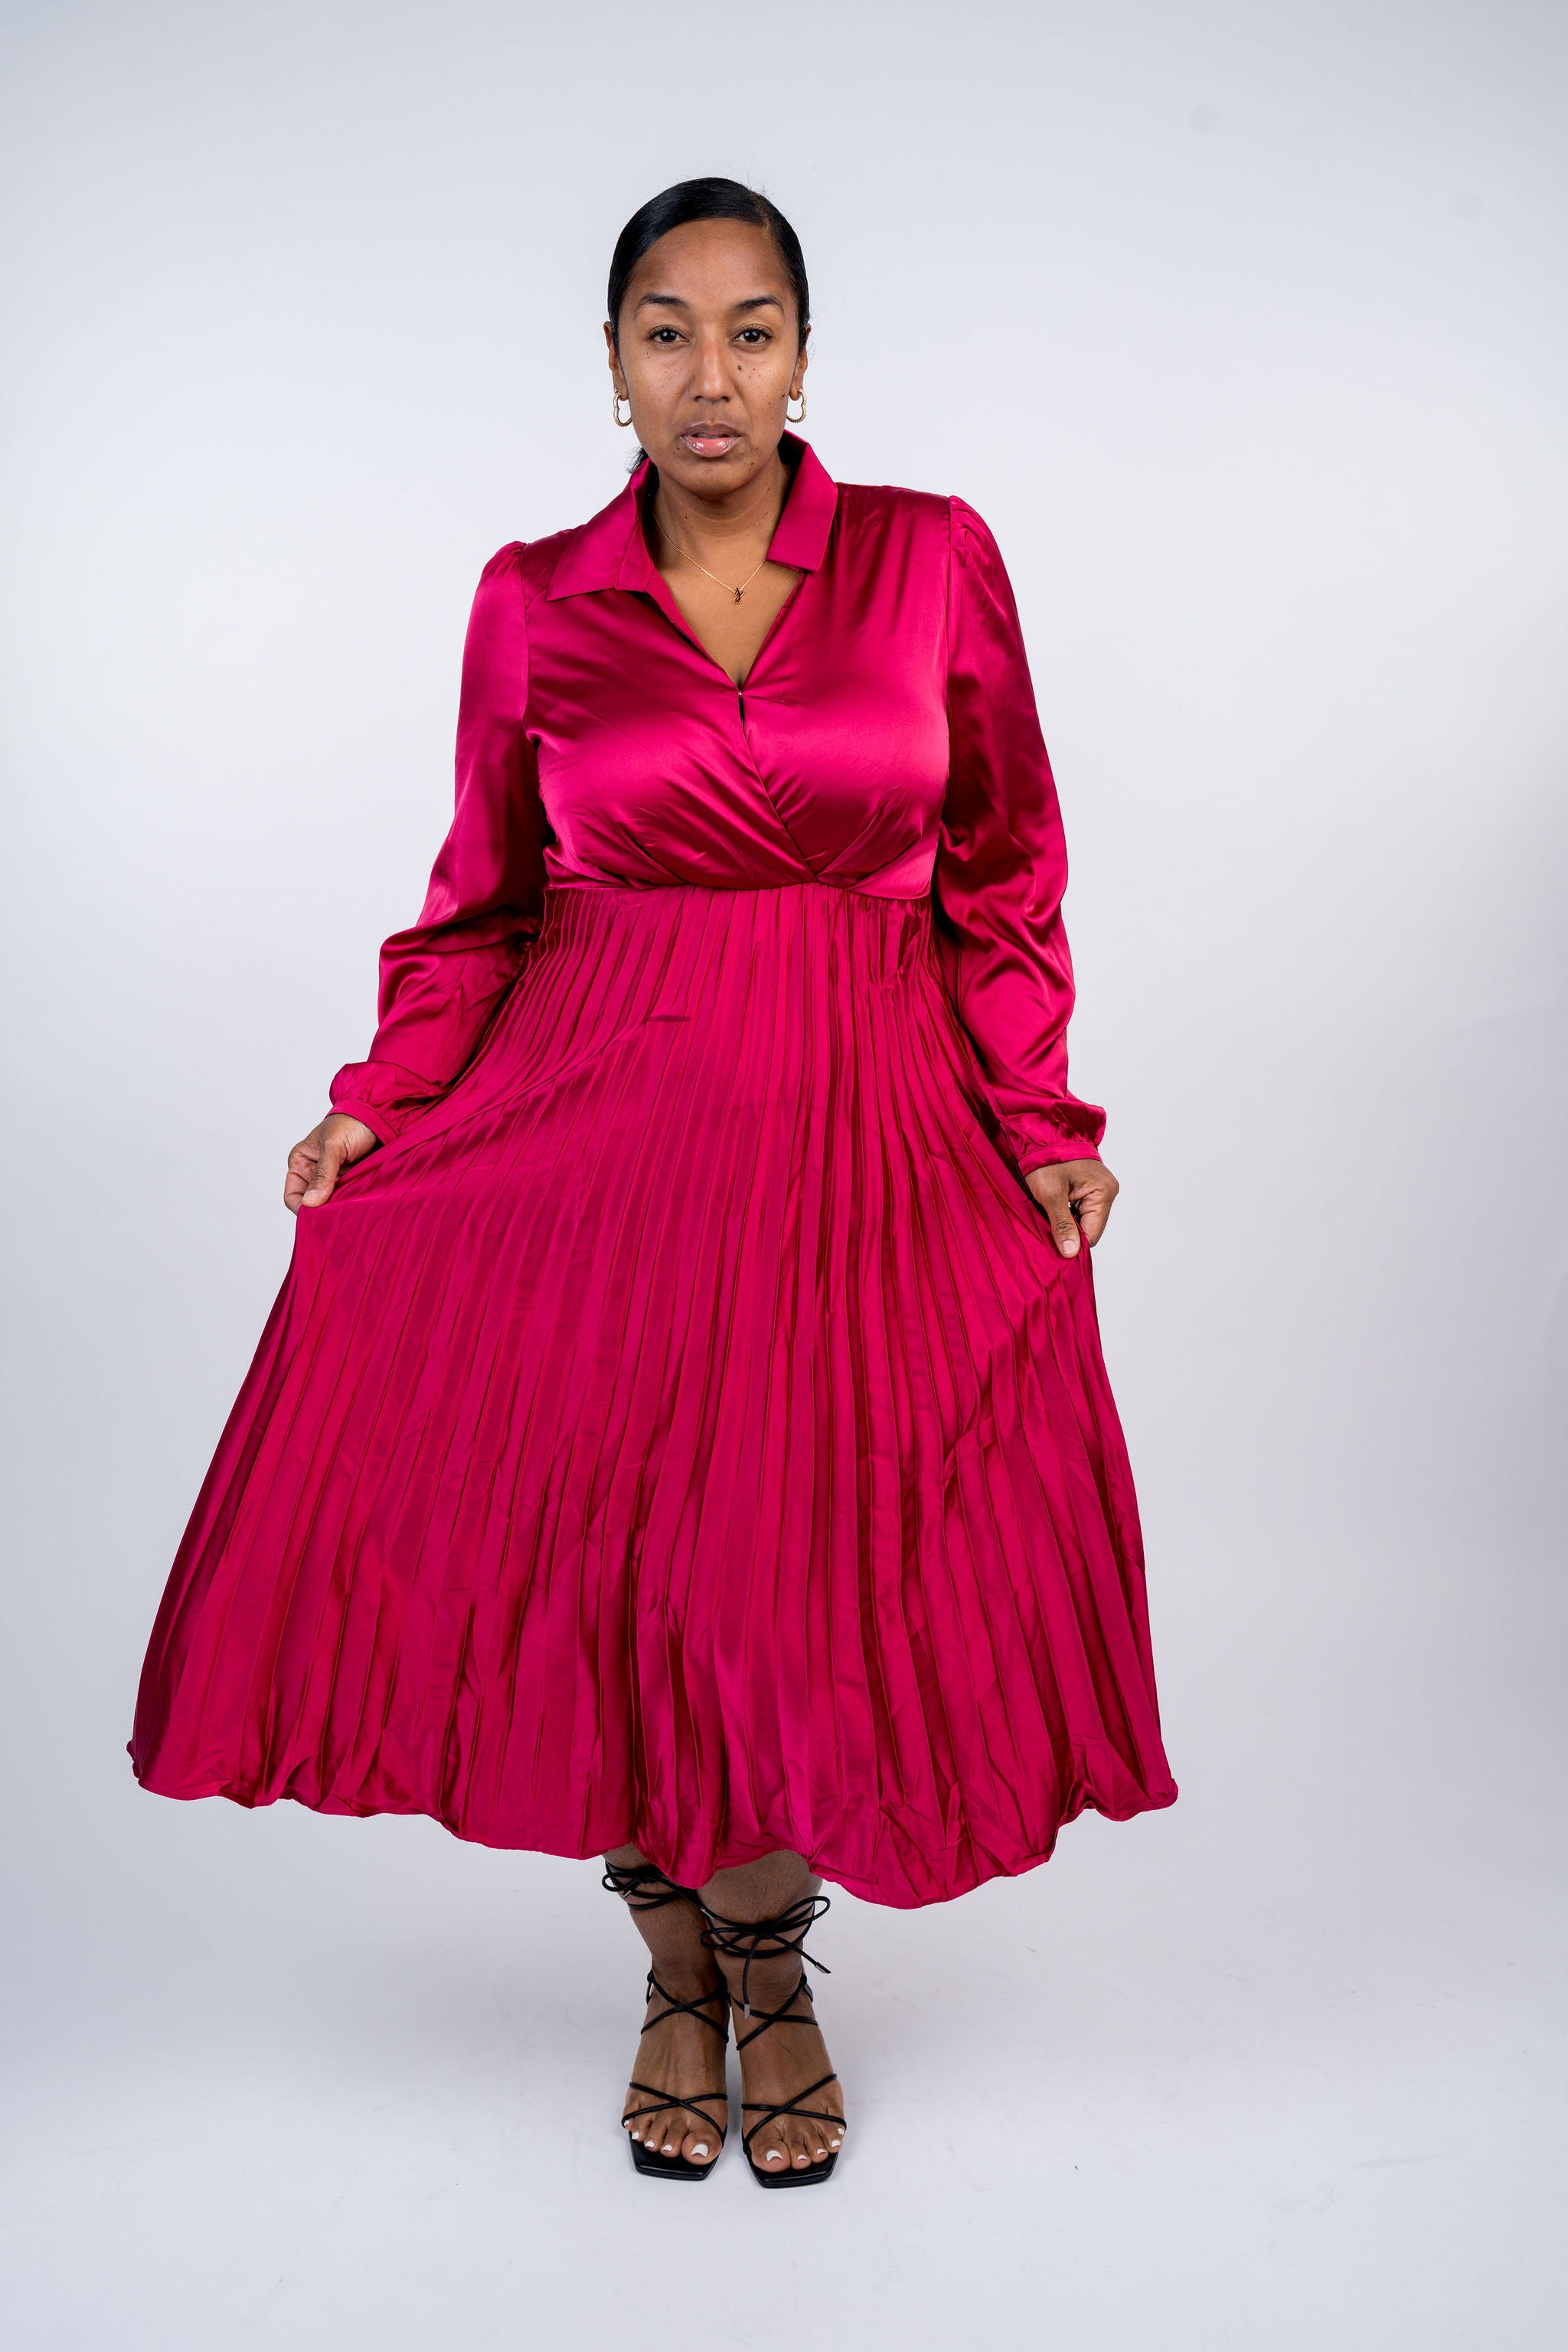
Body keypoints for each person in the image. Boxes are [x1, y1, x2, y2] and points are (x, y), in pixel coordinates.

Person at [130, 177, 1177, 2187]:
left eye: (751, 330)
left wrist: (1041, 1120)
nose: (713, 374)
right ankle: (673, 1971)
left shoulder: (933, 558)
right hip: (599, 1128)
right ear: (612, 366)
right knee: (630, 1568)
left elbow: (1004, 868)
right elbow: (482, 900)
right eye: (668, 332)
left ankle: (768, 1973)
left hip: (862, 1128)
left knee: (789, 1570)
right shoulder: (535, 595)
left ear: (804, 358)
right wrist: (383, 1103)